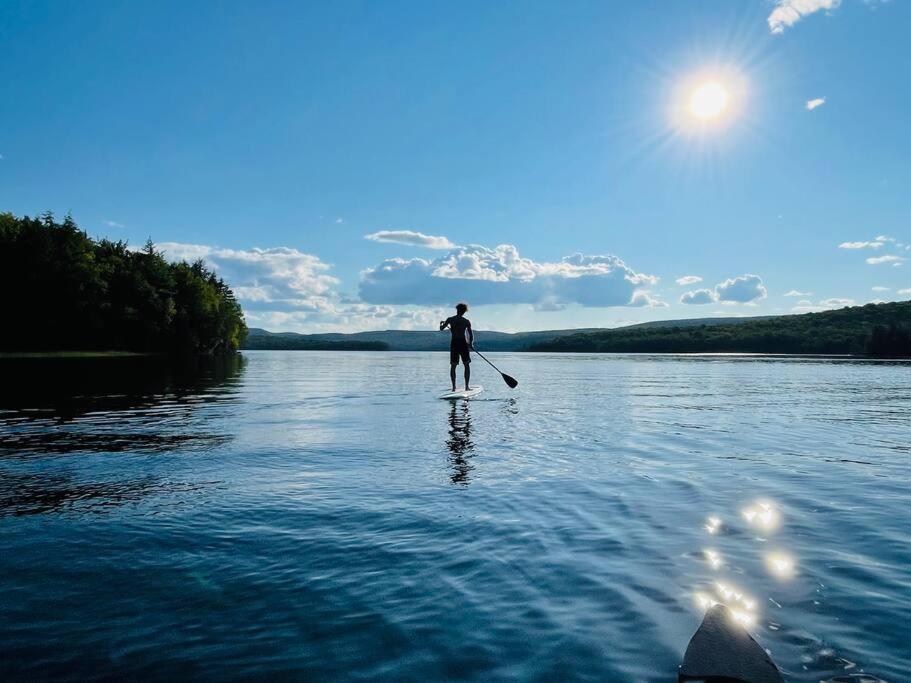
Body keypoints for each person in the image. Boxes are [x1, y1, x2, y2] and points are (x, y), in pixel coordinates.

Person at [439, 302, 473, 392]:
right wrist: (471, 344)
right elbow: (470, 334)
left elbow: (441, 329)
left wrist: (441, 323)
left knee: (453, 365)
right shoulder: (466, 321)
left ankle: (454, 387)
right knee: (466, 365)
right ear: (464, 311)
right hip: (463, 343)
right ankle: (467, 387)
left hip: (454, 343)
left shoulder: (450, 319)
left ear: (457, 310)